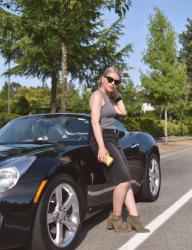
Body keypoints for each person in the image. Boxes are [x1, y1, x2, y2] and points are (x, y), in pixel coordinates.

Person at [89, 66, 149, 233]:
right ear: (102, 78)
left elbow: (123, 111)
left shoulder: (109, 98)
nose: (113, 83)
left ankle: (134, 218)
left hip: (113, 138)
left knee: (126, 178)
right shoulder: (97, 96)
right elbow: (95, 122)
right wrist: (101, 147)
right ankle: (115, 218)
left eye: (117, 81)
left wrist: (117, 94)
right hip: (103, 139)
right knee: (122, 181)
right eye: (110, 80)